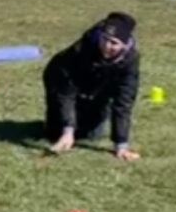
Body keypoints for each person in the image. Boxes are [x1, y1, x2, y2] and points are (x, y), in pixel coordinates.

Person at [42, 11, 141, 161]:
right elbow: (67, 91)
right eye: (104, 39)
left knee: (92, 135)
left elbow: (124, 101)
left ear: (124, 44)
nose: (106, 46)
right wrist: (68, 131)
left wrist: (121, 145)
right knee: (55, 133)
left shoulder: (130, 61)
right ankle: (61, 125)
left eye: (114, 43)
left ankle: (78, 122)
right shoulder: (81, 49)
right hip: (59, 78)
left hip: (102, 83)